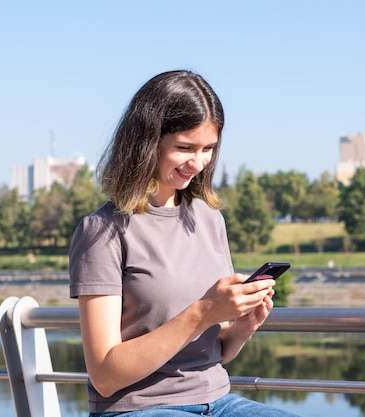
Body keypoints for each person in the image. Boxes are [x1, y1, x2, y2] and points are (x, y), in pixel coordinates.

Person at [68, 70, 300, 417]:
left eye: (208, 148)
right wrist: (202, 312)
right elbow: (104, 375)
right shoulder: (102, 232)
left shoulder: (209, 219)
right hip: (140, 408)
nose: (199, 162)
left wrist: (241, 328)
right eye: (184, 148)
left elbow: (212, 350)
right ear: (146, 143)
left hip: (220, 401)